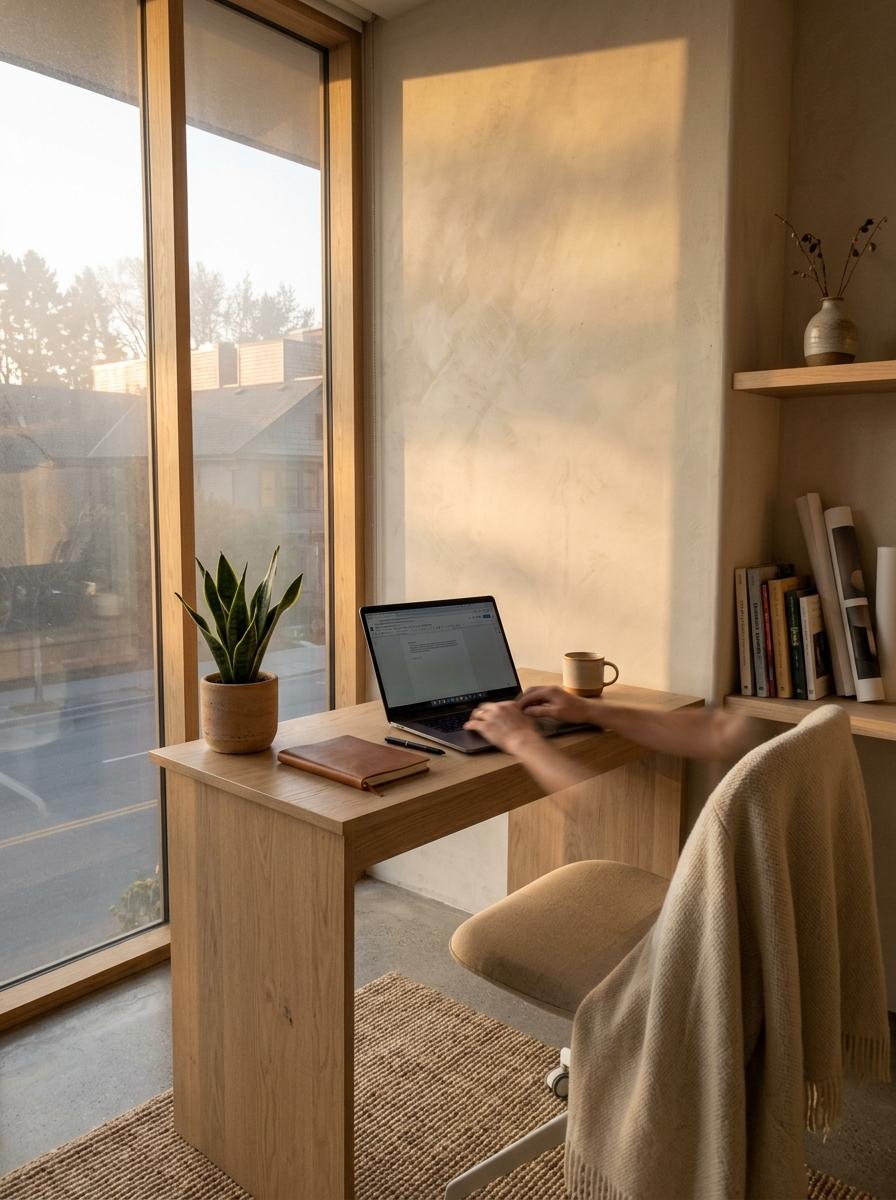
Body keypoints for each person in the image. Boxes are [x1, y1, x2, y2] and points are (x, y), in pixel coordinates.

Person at [463, 686, 755, 794]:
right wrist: (590, 710)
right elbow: (719, 732)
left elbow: (590, 796)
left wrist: (519, 737)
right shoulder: (796, 735)